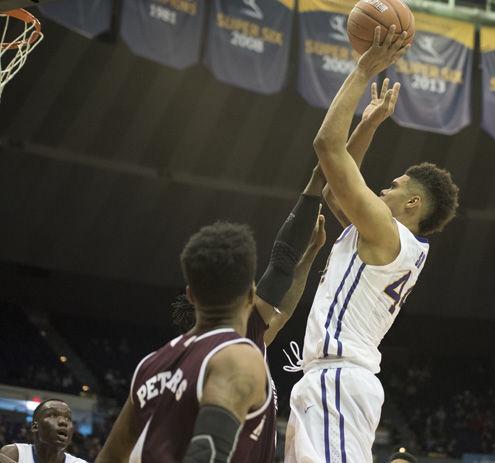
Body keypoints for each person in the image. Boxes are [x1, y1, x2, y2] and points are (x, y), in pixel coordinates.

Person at [284, 25, 460, 463]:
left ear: (413, 202)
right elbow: (331, 193)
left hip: (339, 380)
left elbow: (327, 146)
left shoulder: (387, 233)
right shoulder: (389, 239)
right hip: (334, 381)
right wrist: (368, 122)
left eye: (395, 186)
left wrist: (363, 71)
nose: (384, 190)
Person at [95, 167, 327, 463]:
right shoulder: (237, 356)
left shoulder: (151, 366)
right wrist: (316, 182)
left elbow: (108, 458)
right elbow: (281, 261)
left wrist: (309, 256)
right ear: (249, 295)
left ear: (192, 294)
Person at [0, 399, 87, 463]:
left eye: (68, 418)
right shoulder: (15, 453)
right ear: (35, 426)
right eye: (52, 415)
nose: (63, 422)